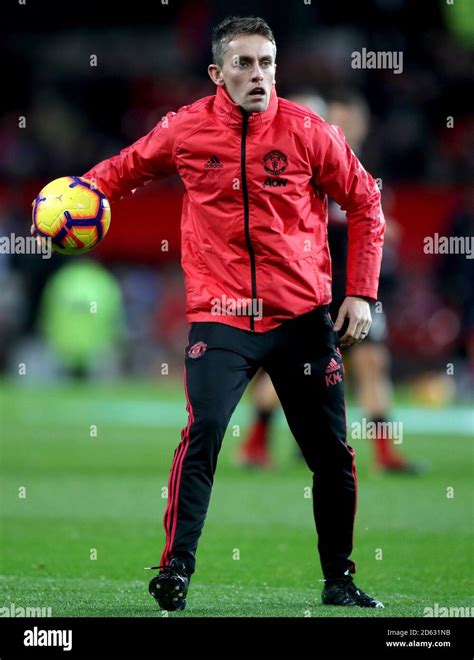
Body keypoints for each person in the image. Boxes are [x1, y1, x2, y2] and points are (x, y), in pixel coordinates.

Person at [33, 16, 385, 611]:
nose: (258, 76)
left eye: (267, 63)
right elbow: (121, 171)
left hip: (301, 318)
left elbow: (366, 202)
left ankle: (339, 581)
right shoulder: (186, 129)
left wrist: (361, 292)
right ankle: (176, 570)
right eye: (244, 64)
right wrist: (68, 204)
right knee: (204, 432)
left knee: (332, 456)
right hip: (221, 315)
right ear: (216, 74)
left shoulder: (310, 133)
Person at [239, 91, 423, 474]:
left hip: (356, 288)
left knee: (372, 363)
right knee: (292, 367)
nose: (342, 127)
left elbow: (371, 222)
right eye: (334, 119)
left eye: (350, 120)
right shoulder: (307, 164)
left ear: (363, 125)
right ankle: (255, 444)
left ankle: (386, 454)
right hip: (313, 287)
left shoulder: (361, 170)